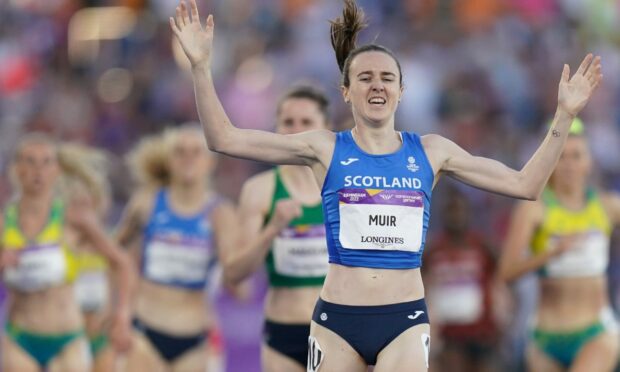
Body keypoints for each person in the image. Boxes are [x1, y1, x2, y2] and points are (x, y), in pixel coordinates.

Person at [169, 0, 602, 369]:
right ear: (346, 91)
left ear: (401, 90)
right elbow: (223, 139)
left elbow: (526, 183)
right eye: (365, 78)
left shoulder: (432, 151)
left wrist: (564, 115)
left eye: (386, 78)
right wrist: (201, 67)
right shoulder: (324, 148)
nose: (377, 85)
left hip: (404, 318)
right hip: (337, 319)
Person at [0, 134, 133, 372]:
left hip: (68, 338)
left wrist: (121, 313)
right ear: (16, 170)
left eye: (46, 162)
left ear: (56, 170)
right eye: (30, 162)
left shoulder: (74, 218)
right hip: (20, 337)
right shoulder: (3, 222)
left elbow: (122, 263)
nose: (38, 170)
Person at [224, 85, 330, 372]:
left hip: (335, 330)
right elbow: (234, 272)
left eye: (306, 122)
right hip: (282, 330)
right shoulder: (260, 190)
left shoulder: (343, 189)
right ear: (277, 126)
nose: (296, 130)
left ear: (325, 128)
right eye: (288, 122)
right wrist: (273, 229)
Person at [499, 119, 620, 372]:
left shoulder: (607, 207)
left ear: (589, 162)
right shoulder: (533, 210)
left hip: (596, 330)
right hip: (545, 337)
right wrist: (551, 254)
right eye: (561, 156)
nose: (569, 165)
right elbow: (506, 272)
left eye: (577, 156)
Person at [116, 125, 235, 372]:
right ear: (169, 160)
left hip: (194, 338)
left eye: (196, 152)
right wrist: (120, 311)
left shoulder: (220, 213)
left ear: (210, 161)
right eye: (179, 152)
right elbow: (115, 253)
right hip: (144, 332)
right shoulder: (146, 202)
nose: (188, 159)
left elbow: (235, 277)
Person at [63, 144, 128, 372]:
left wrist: (119, 312)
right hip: (65, 338)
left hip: (101, 338)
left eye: (88, 205)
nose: (84, 214)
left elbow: (122, 272)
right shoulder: (57, 240)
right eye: (77, 205)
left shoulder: (108, 242)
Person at [423, 190, 501, 372]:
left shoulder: (483, 246)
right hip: (447, 332)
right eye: (452, 211)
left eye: (460, 210)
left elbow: (500, 280)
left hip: (481, 330)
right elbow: (423, 285)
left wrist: (500, 317)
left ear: (469, 213)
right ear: (444, 214)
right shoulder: (433, 250)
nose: (456, 216)